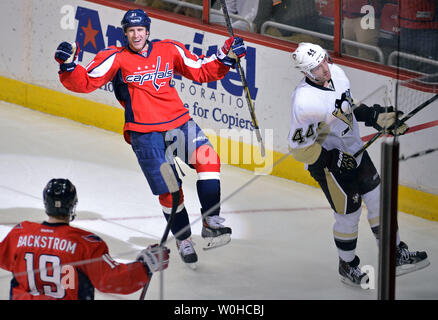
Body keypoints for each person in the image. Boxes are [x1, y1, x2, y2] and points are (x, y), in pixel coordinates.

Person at [54, 9, 246, 267]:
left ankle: (211, 222)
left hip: (179, 123)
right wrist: (67, 66)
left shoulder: (169, 49)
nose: (136, 35)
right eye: (131, 31)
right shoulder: (115, 58)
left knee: (209, 161)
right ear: (125, 33)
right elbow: (86, 81)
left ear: (148, 31)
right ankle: (183, 238)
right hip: (145, 135)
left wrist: (226, 57)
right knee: (171, 192)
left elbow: (201, 70)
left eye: (140, 30)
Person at [288, 42, 430, 286]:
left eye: (324, 60)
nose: (325, 68)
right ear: (306, 73)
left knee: (379, 202)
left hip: (356, 152)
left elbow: (347, 106)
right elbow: (299, 149)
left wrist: (375, 116)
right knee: (348, 215)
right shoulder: (304, 102)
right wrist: (332, 159)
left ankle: (394, 253)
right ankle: (347, 265)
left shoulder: (338, 73)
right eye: (317, 67)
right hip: (328, 166)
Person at [0, 178, 169, 300]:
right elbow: (111, 280)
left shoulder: (21, 233)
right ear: (73, 205)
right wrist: (145, 266)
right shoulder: (85, 244)